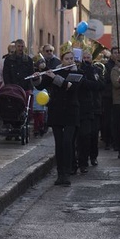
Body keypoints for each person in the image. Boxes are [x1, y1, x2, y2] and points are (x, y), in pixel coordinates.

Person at [36, 42, 82, 186]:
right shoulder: (55, 71)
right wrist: (37, 77)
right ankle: (60, 173)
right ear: (62, 60)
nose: (70, 61)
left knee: (68, 142)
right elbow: (40, 86)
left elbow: (70, 87)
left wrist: (54, 77)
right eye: (67, 59)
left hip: (71, 112)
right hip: (56, 111)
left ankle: (67, 173)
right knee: (59, 144)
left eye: (71, 59)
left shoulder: (77, 73)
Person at [75, 50, 105, 173]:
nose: (86, 59)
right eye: (84, 57)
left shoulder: (95, 70)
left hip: (95, 106)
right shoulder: (79, 70)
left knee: (94, 134)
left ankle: (93, 156)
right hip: (83, 108)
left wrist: (91, 82)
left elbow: (100, 85)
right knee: (84, 136)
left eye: (88, 57)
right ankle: (83, 160)